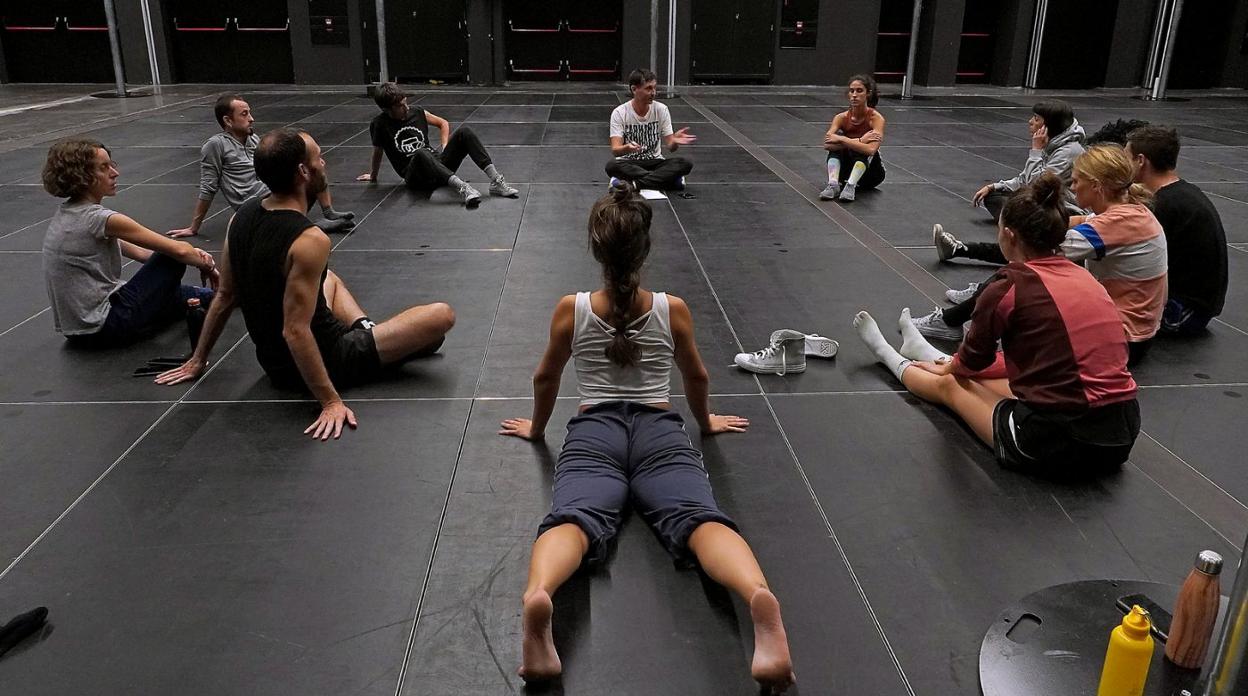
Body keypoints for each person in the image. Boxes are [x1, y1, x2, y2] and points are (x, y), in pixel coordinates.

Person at [498, 184, 794, 691]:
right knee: (699, 519)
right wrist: (707, 422)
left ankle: (540, 593)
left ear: (596, 248)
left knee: (574, 518)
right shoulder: (670, 308)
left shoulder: (571, 309)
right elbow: (696, 376)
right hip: (660, 431)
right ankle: (757, 598)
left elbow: (544, 378)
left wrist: (538, 428)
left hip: (594, 432)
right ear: (645, 248)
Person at [156, 129, 456, 439]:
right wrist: (330, 401)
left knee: (330, 278)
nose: (324, 163)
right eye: (318, 158)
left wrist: (197, 359)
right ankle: (373, 343)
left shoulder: (240, 217)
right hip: (327, 360)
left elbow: (225, 296)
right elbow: (295, 330)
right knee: (441, 317)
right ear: (303, 172)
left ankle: (367, 330)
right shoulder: (310, 239)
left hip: (274, 365)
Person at [854, 172, 1141, 478]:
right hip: (1121, 434)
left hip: (1057, 444)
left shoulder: (1007, 287)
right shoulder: (1085, 278)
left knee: (953, 385)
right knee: (994, 380)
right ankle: (922, 350)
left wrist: (950, 368)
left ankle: (888, 354)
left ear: (1010, 235)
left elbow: (975, 361)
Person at [914, 145, 1167, 366]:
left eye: (1077, 180)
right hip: (1136, 331)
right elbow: (1071, 222)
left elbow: (1035, 248)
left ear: (1097, 187)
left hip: (1123, 339)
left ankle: (955, 320)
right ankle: (972, 293)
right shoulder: (1130, 212)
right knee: (1029, 239)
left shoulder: (1112, 225)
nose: (1072, 186)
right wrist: (1042, 215)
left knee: (1025, 259)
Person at [41, 138, 217, 347]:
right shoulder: (99, 219)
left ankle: (232, 295)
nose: (115, 173)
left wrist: (193, 255)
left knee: (202, 296)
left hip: (78, 329)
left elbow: (144, 254)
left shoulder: (68, 215)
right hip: (107, 323)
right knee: (172, 259)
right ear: (82, 176)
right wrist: (206, 265)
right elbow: (176, 251)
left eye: (111, 165)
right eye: (103, 168)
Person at [167, 94, 355, 238]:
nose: (251, 118)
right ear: (227, 120)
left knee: (314, 166)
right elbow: (208, 186)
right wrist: (194, 227)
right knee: (309, 171)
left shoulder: (253, 139)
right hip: (253, 202)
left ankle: (326, 213)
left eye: (250, 112)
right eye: (244, 114)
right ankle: (309, 225)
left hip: (270, 190)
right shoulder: (215, 145)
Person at [1125, 125, 1227, 335]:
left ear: (1141, 161)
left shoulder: (1165, 205)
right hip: (1196, 305)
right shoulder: (1182, 192)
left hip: (1184, 311)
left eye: (1126, 157)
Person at [358, 82, 518, 208]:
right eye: (400, 106)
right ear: (387, 109)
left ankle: (496, 181)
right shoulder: (379, 124)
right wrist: (373, 175)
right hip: (416, 177)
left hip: (438, 167)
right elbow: (378, 151)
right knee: (421, 152)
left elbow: (443, 123)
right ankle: (462, 187)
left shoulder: (417, 112)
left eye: (405, 103)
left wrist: (445, 146)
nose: (406, 108)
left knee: (465, 132)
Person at [605, 68, 696, 191]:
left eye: (654, 88)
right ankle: (667, 179)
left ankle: (634, 184)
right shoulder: (620, 113)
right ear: (634, 89)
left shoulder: (661, 109)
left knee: (685, 163)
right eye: (648, 88)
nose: (653, 93)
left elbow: (671, 147)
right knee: (612, 166)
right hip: (631, 163)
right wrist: (627, 148)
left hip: (655, 162)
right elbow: (616, 150)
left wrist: (674, 141)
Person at [819, 74, 886, 202]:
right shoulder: (841, 118)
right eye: (852, 91)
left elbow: (871, 150)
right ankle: (833, 185)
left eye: (859, 91)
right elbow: (827, 144)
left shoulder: (876, 119)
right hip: (846, 171)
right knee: (836, 149)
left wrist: (841, 139)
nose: (855, 95)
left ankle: (851, 186)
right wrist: (860, 140)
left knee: (861, 151)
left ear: (868, 93)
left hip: (871, 175)